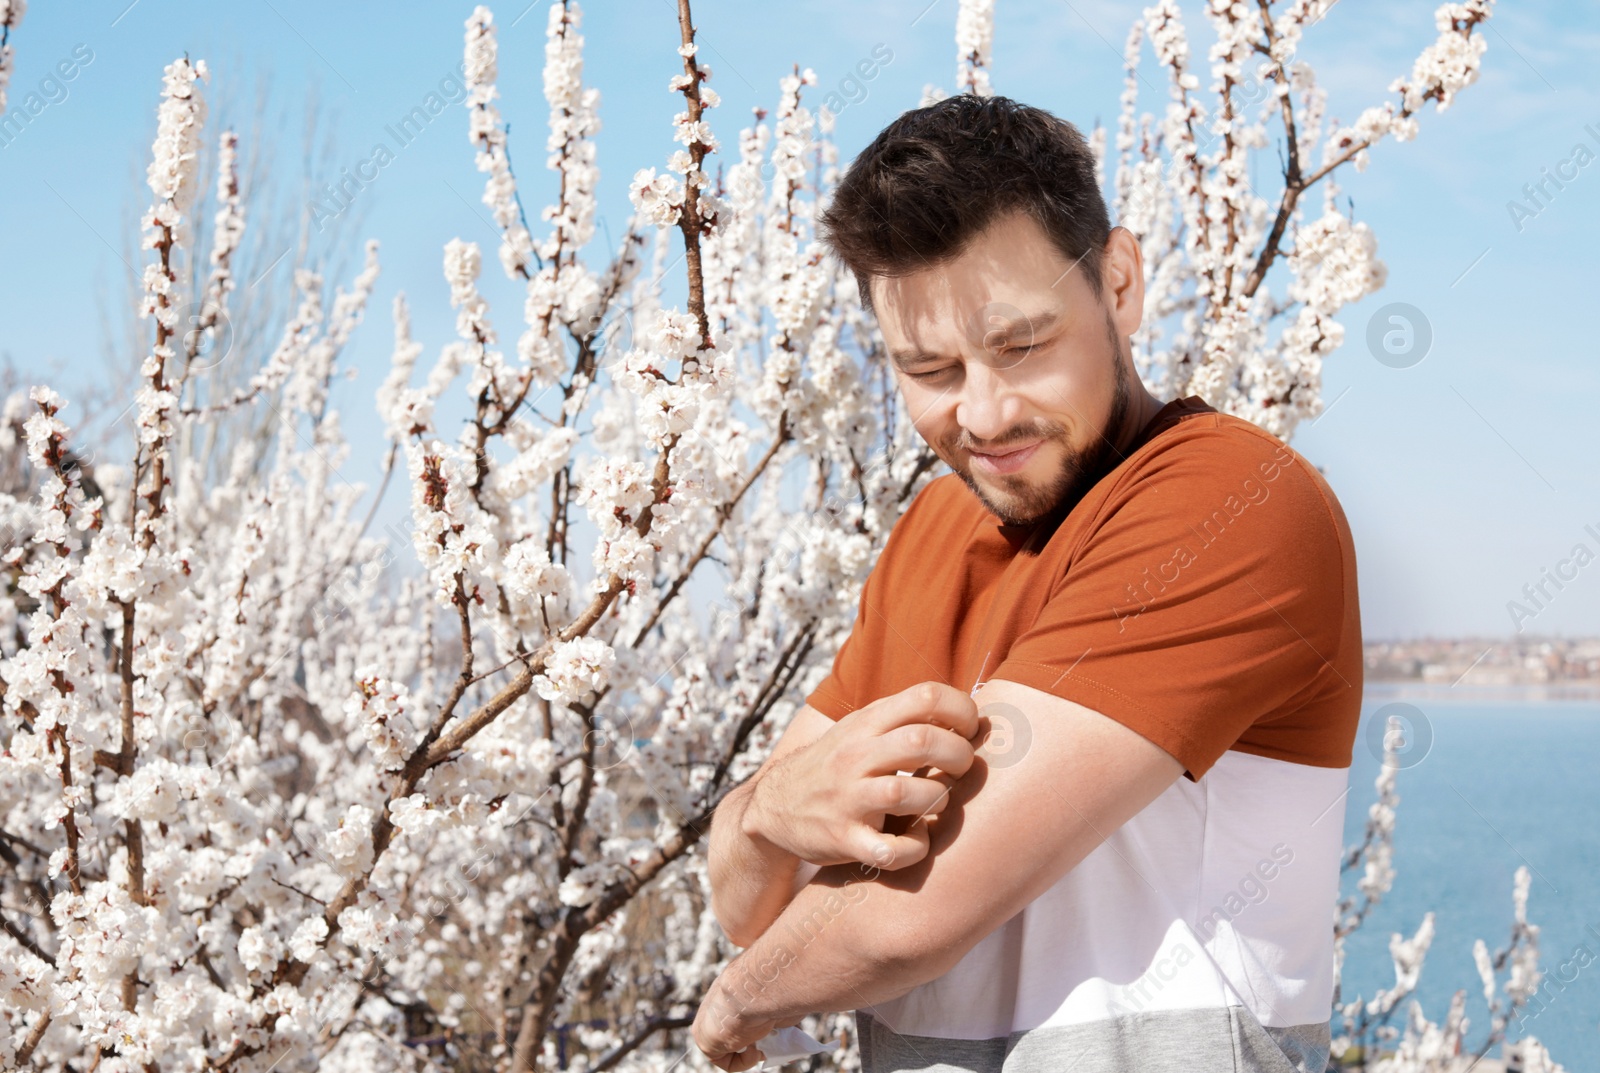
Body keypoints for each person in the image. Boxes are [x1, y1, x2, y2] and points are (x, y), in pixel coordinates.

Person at [691, 93, 1363, 1073]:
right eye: (928, 368)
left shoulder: (1231, 499)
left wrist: (738, 995)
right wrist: (760, 810)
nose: (983, 412)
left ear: (1118, 283)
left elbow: (901, 918)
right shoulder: (934, 529)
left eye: (1022, 345)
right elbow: (748, 892)